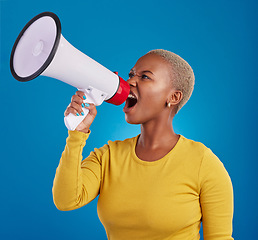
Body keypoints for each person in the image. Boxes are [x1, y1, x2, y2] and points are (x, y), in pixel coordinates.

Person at [52, 49, 234, 240]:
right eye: (131, 74)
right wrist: (76, 134)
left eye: (145, 77)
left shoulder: (203, 164)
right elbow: (66, 200)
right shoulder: (108, 156)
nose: (130, 81)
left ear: (174, 97)